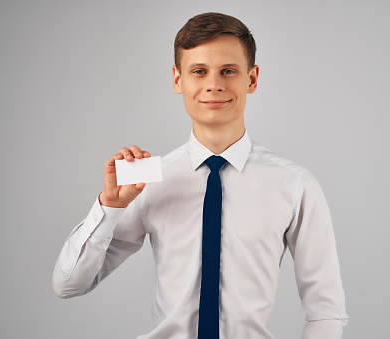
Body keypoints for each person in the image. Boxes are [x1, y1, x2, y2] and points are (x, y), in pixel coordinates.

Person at [53, 12, 348, 339]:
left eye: (228, 71)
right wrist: (110, 206)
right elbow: (69, 285)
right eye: (199, 71)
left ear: (251, 79)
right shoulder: (147, 181)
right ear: (178, 80)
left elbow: (326, 312)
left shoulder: (295, 185)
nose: (214, 84)